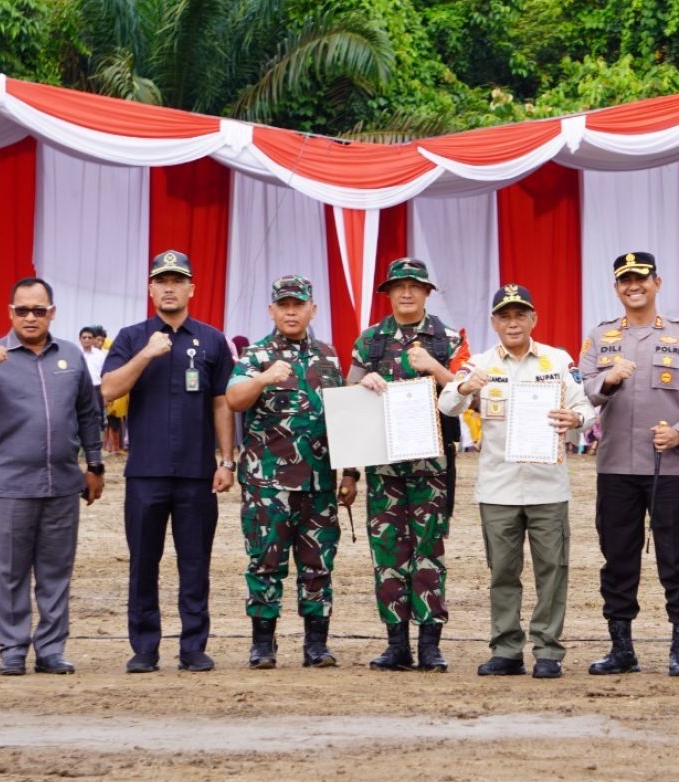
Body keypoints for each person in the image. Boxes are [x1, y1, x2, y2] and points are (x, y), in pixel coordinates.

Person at [0, 277, 105, 676]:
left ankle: (51, 650)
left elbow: (88, 413)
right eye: (22, 310)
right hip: (7, 486)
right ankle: (12, 649)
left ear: (52, 312)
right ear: (10, 312)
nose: (30, 317)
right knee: (10, 571)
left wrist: (96, 466)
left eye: (39, 310)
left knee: (55, 572)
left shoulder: (69, 355)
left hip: (63, 484)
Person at [439, 284, 595, 679]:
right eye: (504, 316)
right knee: (503, 572)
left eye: (520, 315)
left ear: (533, 319)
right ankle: (506, 649)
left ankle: (548, 651)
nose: (513, 322)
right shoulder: (479, 363)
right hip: (499, 487)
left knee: (552, 570)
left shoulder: (557, 360)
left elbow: (585, 407)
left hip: (547, 485)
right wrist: (463, 388)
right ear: (494, 322)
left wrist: (575, 420)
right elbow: (445, 404)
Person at [102, 250, 236, 673]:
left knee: (195, 562)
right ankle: (144, 647)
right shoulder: (131, 337)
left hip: (198, 474)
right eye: (162, 281)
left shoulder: (213, 340)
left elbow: (221, 403)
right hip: (145, 472)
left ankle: (193, 646)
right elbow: (107, 389)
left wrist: (227, 460)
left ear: (192, 288)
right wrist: (146, 355)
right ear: (150, 289)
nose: (170, 287)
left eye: (178, 280)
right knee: (144, 562)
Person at [579, 251, 679, 677]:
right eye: (624, 280)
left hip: (667, 466)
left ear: (658, 282)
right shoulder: (600, 338)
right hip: (616, 465)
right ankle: (621, 648)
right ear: (617, 288)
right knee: (618, 558)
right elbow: (583, 392)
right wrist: (607, 379)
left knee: (677, 556)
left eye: (641, 279)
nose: (633, 286)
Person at [347, 257, 469, 672]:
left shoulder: (449, 340)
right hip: (384, 470)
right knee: (388, 555)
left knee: (429, 553)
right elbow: (349, 401)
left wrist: (435, 368)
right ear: (387, 293)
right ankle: (396, 643)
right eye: (398, 286)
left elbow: (466, 390)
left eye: (414, 286)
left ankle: (430, 644)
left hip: (431, 469)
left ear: (427, 292)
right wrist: (362, 384)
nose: (405, 293)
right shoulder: (370, 342)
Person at [226, 275, 352, 669]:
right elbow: (233, 398)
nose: (291, 311)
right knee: (265, 562)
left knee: (318, 565)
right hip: (268, 485)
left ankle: (316, 644)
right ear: (272, 311)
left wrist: (350, 474)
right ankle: (263, 644)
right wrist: (263, 378)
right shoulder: (256, 355)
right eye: (284, 305)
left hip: (318, 483)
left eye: (299, 304)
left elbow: (345, 420)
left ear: (313, 309)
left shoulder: (329, 357)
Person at [79, 326, 107, 426]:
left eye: (89, 337)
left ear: (94, 339)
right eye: (84, 337)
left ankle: (96, 440)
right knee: (79, 415)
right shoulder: (75, 353)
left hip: (96, 389)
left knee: (97, 417)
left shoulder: (101, 355)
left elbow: (105, 375)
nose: (87, 340)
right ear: (80, 339)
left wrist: (105, 395)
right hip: (79, 389)